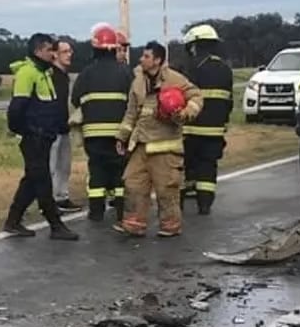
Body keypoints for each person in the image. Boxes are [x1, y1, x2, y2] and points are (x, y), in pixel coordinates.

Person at [114, 41, 202, 238]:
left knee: (166, 189)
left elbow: (196, 96)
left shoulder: (174, 79)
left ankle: (170, 225)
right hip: (141, 144)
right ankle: (134, 222)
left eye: (146, 56)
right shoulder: (137, 81)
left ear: (157, 60)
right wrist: (122, 136)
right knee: (132, 182)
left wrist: (186, 113)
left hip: (166, 147)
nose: (141, 59)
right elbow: (131, 113)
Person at [4, 33, 79, 240]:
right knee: (43, 181)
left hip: (45, 136)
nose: (52, 54)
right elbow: (17, 107)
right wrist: (24, 131)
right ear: (38, 51)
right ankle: (56, 225)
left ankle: (13, 221)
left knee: (31, 180)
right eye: (49, 50)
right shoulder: (28, 73)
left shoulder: (44, 73)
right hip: (33, 137)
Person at [71, 24, 133, 221]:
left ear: (95, 48)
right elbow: (135, 100)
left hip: (93, 135)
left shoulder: (86, 74)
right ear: (115, 48)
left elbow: (75, 100)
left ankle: (96, 212)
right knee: (119, 172)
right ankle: (122, 211)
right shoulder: (125, 72)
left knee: (97, 171)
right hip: (119, 135)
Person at [179, 24, 234, 215]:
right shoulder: (225, 69)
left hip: (188, 130)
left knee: (185, 165)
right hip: (214, 130)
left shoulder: (188, 68)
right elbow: (228, 101)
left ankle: (180, 204)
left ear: (195, 45)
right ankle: (205, 205)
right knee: (208, 167)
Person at [48, 39, 82, 213]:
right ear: (54, 54)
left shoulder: (63, 76)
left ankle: (61, 196)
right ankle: (48, 200)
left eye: (70, 51)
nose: (70, 54)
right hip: (52, 128)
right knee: (51, 166)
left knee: (64, 165)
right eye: (65, 51)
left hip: (63, 126)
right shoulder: (51, 75)